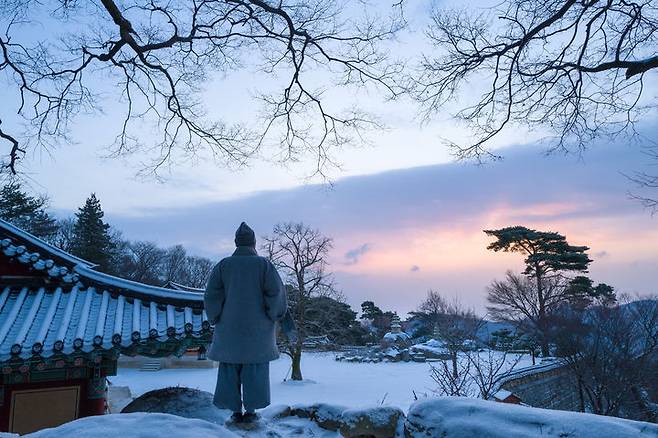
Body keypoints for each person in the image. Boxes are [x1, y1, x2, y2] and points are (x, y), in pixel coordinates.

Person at [204, 222, 288, 425]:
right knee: (254, 371)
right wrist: (274, 314)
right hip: (257, 332)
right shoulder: (264, 265)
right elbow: (276, 293)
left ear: (236, 242)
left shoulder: (223, 266)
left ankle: (234, 411)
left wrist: (215, 317)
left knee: (229, 370)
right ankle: (250, 411)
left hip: (228, 331)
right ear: (253, 242)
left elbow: (212, 296)